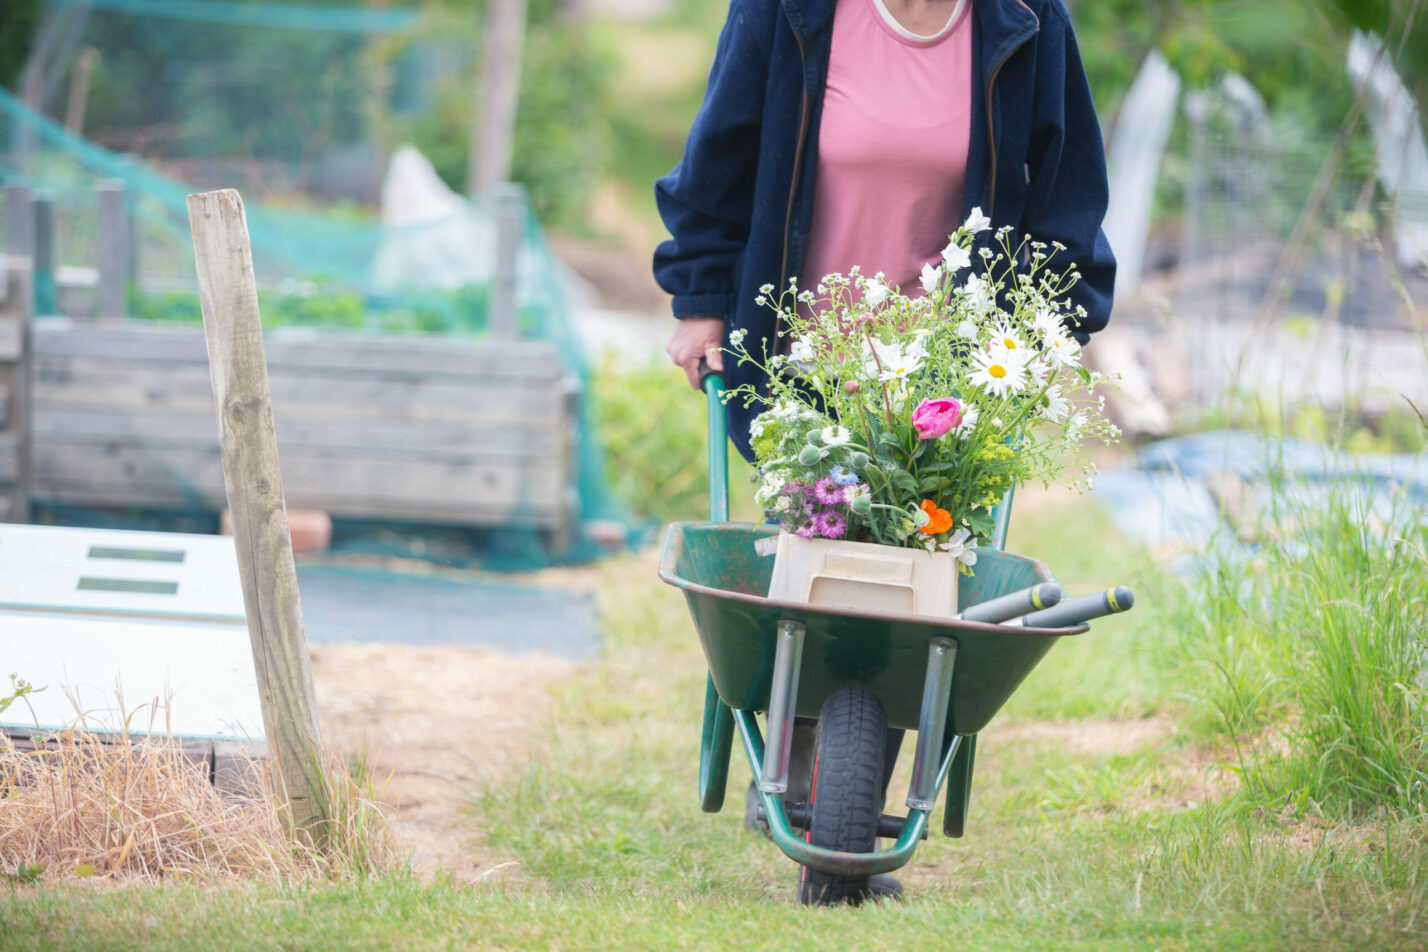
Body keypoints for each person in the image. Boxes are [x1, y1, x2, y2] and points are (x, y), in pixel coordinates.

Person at [652, 0, 1116, 902]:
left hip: (943, 368)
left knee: (919, 574)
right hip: (802, 350)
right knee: (822, 549)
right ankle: (808, 758)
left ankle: (838, 788)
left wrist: (1056, 326)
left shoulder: (1022, 20)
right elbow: (724, 150)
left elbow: (1067, 175)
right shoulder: (791, 11)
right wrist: (701, 296)